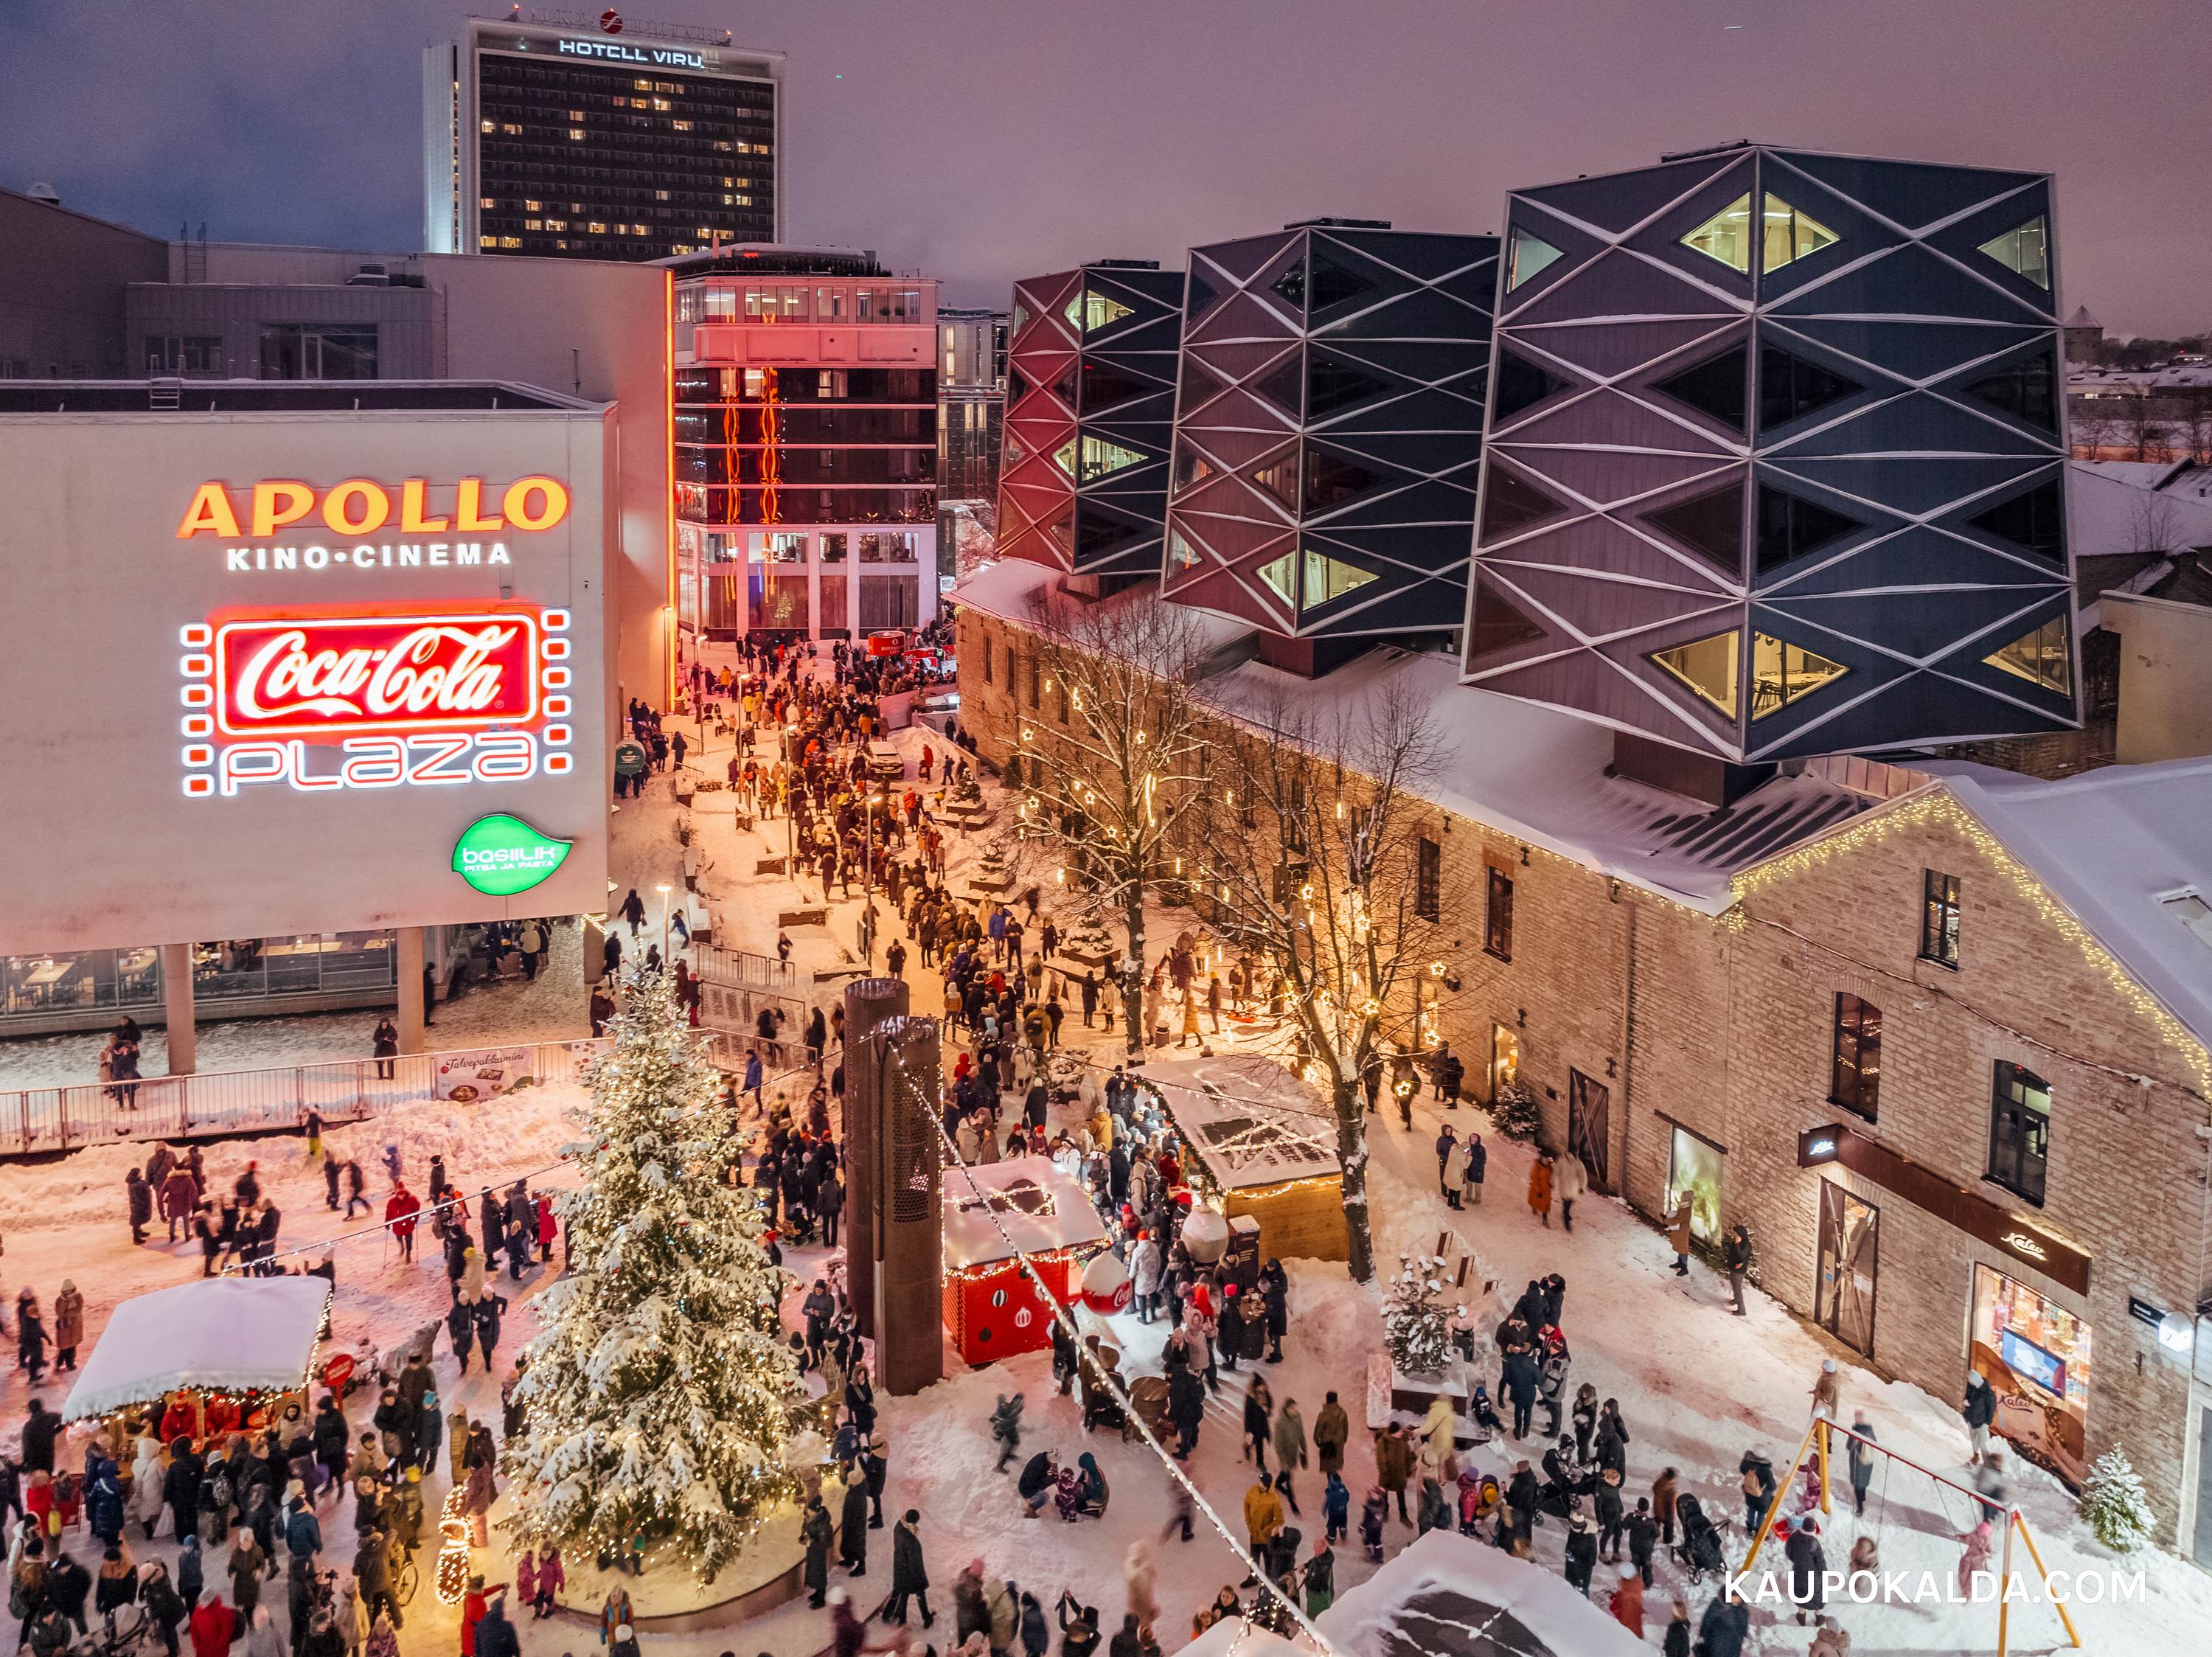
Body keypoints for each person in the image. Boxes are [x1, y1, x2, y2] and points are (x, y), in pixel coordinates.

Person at [880, 1510, 932, 1628]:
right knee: (920, 1594)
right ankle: (926, 1618)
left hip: (899, 1567)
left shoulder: (898, 1527)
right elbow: (915, 1562)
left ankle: (902, 1620)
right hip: (910, 1572)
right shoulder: (910, 1540)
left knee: (903, 1594)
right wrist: (920, 1577)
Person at [1962, 1369, 1996, 1464]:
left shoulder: (1988, 1394)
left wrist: (1987, 1423)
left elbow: (1991, 1410)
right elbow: (1967, 1397)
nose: (1969, 1382)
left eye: (1970, 1380)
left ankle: (1988, 1462)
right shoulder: (1971, 1387)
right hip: (1971, 1417)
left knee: (1982, 1443)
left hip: (1982, 1422)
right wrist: (1967, 1402)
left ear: (1975, 1380)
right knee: (1973, 1439)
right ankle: (1975, 1456)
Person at [1722, 1223, 1753, 1315]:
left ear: (1740, 1234)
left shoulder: (1745, 1244)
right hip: (1734, 1267)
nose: (1734, 1234)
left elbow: (1741, 1256)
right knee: (1734, 1285)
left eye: (1735, 1233)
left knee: (1737, 1288)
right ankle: (1736, 1300)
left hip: (1739, 1270)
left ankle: (1742, 1310)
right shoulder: (1738, 1242)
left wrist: (1737, 1244)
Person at [1668, 1194, 1694, 1277]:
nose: (1681, 1197)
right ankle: (1680, 1262)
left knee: (1683, 1249)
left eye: (1683, 1196)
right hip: (1680, 1230)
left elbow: (1679, 1219)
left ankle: (1684, 1268)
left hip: (1683, 1231)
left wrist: (1667, 1220)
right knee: (1680, 1247)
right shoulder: (1683, 1206)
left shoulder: (1686, 1209)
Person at [1527, 1153, 1554, 1227]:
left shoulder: (1549, 1166)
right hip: (1538, 1189)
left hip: (1547, 1190)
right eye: (1544, 1159)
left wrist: (1551, 1183)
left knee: (1545, 1205)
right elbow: (1534, 1179)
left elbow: (1551, 1174)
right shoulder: (1536, 1167)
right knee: (1536, 1201)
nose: (1546, 1161)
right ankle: (1534, 1208)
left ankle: (1545, 1220)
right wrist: (1538, 1190)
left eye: (1547, 1159)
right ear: (1541, 1159)